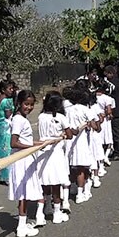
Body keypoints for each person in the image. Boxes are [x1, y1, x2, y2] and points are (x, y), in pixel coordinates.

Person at [9, 90, 44, 237]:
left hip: (26, 158)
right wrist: (33, 147)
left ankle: (23, 223)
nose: (29, 107)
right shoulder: (18, 120)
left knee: (25, 192)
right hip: (22, 160)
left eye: (31, 104)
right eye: (26, 104)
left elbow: (26, 141)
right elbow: (14, 143)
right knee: (23, 193)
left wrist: (40, 143)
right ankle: (21, 227)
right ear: (19, 103)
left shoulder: (22, 119)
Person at [37, 92, 72, 224]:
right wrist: (62, 133)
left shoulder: (41, 117)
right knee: (56, 182)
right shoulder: (62, 117)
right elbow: (69, 135)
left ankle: (45, 207)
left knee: (45, 180)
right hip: (56, 152)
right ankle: (57, 212)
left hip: (42, 151)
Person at [0, 80, 16, 184]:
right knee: (6, 151)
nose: (12, 90)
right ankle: (6, 176)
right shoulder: (6, 101)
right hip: (6, 128)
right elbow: (8, 115)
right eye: (10, 89)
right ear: (3, 90)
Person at [104, 65, 119, 161]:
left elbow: (109, 92)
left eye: (107, 73)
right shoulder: (118, 82)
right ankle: (116, 151)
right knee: (115, 132)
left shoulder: (113, 83)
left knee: (116, 133)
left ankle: (118, 153)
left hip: (116, 111)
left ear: (110, 73)